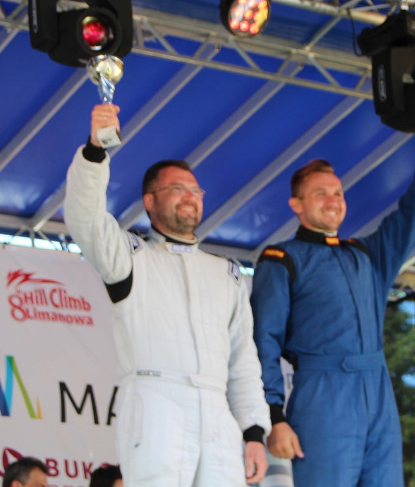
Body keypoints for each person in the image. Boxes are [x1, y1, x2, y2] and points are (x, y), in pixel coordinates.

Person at [251, 98, 415, 487]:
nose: (333, 201)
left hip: (378, 391)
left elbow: (413, 211)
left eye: (338, 193)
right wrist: (274, 416)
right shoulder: (282, 258)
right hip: (323, 394)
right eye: (321, 194)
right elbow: (263, 342)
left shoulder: (366, 254)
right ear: (296, 205)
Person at [64, 103, 271, 486]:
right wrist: (95, 150)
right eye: (177, 189)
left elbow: (243, 361)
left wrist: (254, 432)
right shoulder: (130, 257)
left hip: (218, 414)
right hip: (155, 405)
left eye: (195, 190)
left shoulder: (226, 274)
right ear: (150, 200)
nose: (189, 196)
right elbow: (84, 219)